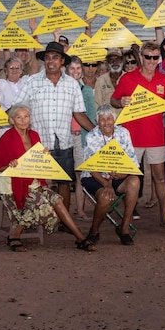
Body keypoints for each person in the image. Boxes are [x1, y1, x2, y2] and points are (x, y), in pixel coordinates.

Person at [0, 104, 95, 252]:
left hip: (33, 183)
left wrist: (45, 156)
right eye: (18, 117)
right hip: (12, 186)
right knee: (44, 206)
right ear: (12, 120)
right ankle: (14, 234)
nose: (23, 120)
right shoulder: (7, 138)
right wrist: (9, 165)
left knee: (58, 200)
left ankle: (80, 238)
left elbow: (37, 162)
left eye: (26, 116)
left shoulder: (34, 135)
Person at [12, 42, 95, 214]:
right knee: (35, 183)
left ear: (62, 61)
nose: (51, 61)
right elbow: (16, 108)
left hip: (64, 142)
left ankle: (63, 220)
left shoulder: (72, 85)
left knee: (64, 182)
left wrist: (98, 132)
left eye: (55, 58)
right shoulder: (32, 82)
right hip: (37, 144)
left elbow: (79, 114)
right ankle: (35, 217)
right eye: (47, 58)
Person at [111, 41, 165, 226]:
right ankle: (129, 214)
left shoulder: (163, 79)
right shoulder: (128, 78)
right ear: (141, 57)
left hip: (156, 137)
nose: (151, 61)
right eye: (148, 57)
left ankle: (164, 215)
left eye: (155, 57)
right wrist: (121, 101)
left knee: (160, 177)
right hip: (132, 138)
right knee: (129, 177)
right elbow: (113, 100)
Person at [81, 104, 141, 246]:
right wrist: (106, 184)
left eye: (109, 119)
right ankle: (94, 231)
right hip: (95, 176)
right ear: (97, 121)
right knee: (105, 195)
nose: (106, 122)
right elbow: (91, 167)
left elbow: (132, 161)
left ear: (114, 120)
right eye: (102, 119)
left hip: (118, 175)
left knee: (135, 182)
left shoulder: (123, 133)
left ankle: (124, 228)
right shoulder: (92, 136)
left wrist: (122, 174)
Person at [65, 56, 97, 220]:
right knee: (61, 177)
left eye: (78, 68)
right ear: (66, 70)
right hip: (63, 137)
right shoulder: (62, 89)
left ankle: (80, 210)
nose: (76, 72)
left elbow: (90, 114)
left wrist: (92, 134)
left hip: (80, 137)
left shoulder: (86, 90)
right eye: (72, 69)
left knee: (79, 175)